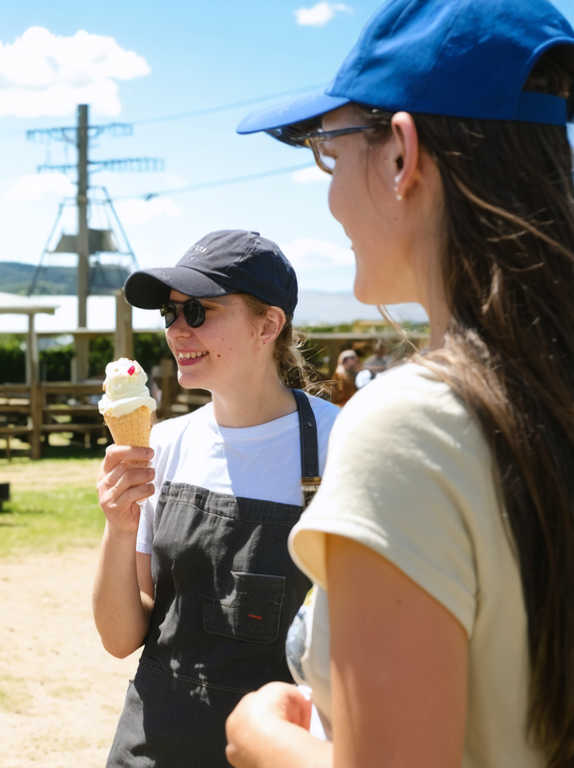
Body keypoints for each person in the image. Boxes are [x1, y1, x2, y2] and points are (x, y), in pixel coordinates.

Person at [226, 2, 574, 767]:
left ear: (400, 154)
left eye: (328, 148)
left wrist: (261, 741)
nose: (326, 193)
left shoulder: (412, 426)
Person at [93, 230, 339, 767]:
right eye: (170, 314)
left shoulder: (341, 443)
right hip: (151, 745)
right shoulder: (163, 444)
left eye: (198, 312)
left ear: (268, 325)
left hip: (276, 750)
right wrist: (117, 526)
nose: (177, 329)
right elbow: (121, 637)